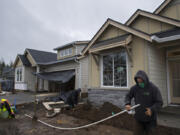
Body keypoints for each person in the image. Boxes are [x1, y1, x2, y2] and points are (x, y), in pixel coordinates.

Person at [125, 70, 163, 135]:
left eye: (141, 80)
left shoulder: (153, 88)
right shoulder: (135, 88)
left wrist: (152, 109)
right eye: (137, 80)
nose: (139, 82)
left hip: (150, 119)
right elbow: (128, 96)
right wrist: (127, 103)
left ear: (145, 79)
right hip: (138, 118)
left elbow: (159, 102)